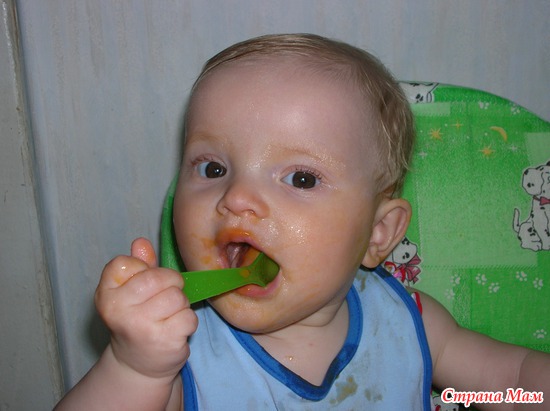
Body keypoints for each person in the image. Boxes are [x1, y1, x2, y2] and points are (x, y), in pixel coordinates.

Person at [55, 34, 550, 410]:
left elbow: (514, 385)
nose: (237, 197)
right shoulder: (180, 355)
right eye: (214, 169)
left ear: (378, 233)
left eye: (301, 179)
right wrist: (134, 368)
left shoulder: (409, 324)